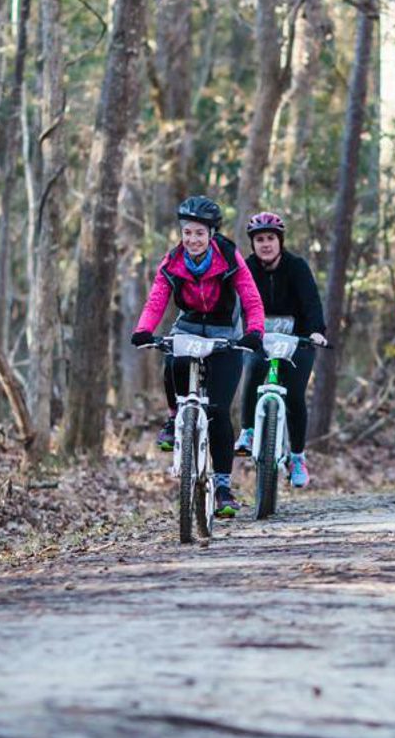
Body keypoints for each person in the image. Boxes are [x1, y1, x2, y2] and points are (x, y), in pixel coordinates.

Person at [131, 195, 265, 518]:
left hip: (224, 332)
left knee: (218, 411)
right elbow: (156, 300)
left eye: (199, 234)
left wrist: (254, 331)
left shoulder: (229, 256)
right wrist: (143, 329)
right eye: (187, 232)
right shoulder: (172, 261)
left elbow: (250, 298)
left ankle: (221, 487)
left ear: (211, 234)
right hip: (189, 324)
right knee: (172, 356)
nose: (192, 239)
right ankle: (175, 414)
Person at [233, 211, 328, 488]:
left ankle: (297, 456)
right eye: (260, 239)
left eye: (270, 238)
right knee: (253, 368)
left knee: (295, 394)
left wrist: (316, 332)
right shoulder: (246, 269)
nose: (265, 244)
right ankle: (248, 432)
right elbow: (233, 303)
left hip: (297, 339)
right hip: (259, 338)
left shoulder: (297, 266)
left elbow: (311, 302)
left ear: (280, 241)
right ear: (253, 244)